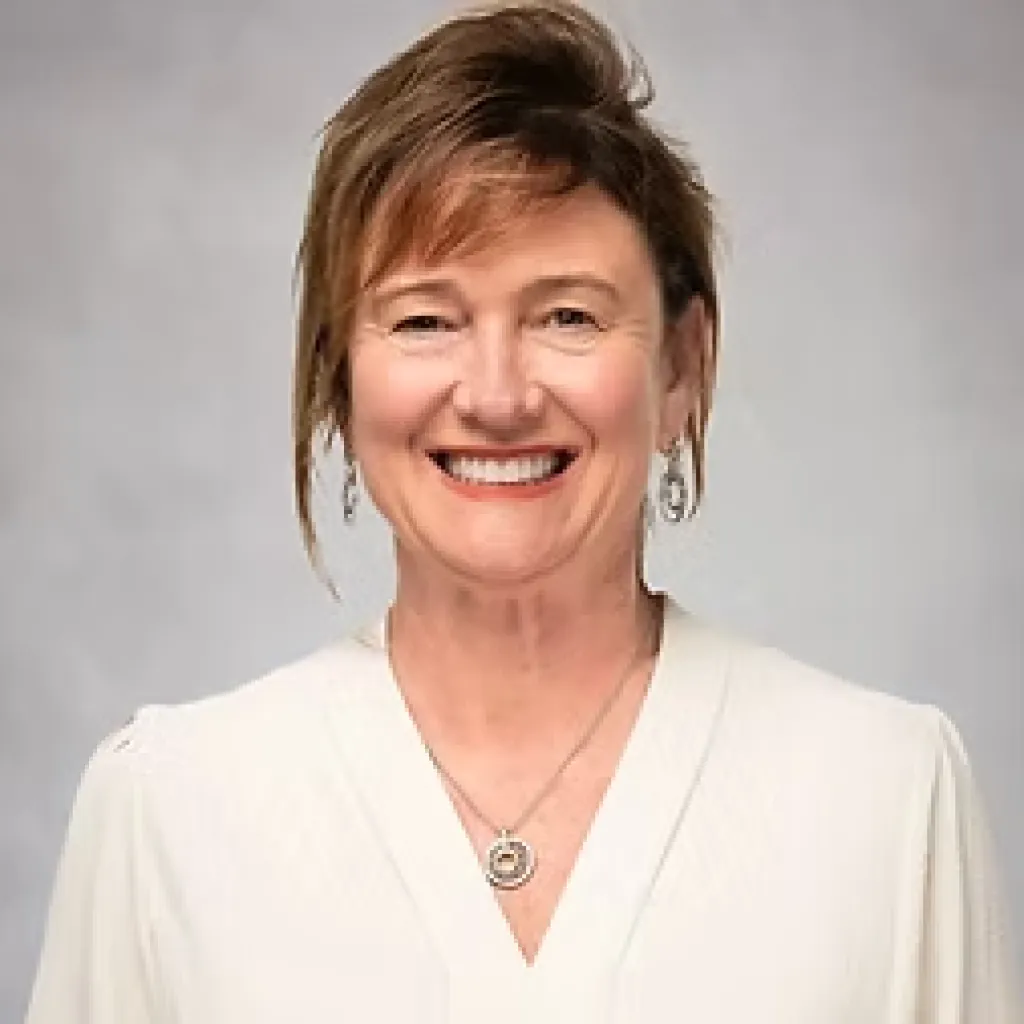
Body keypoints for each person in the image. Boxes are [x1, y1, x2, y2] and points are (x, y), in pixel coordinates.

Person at [24, 1, 1021, 1021]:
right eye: (423, 319)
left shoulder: (885, 802)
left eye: (567, 315)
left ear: (683, 366)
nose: (496, 395)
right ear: (340, 374)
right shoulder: (169, 811)